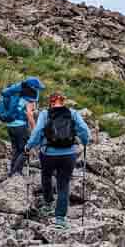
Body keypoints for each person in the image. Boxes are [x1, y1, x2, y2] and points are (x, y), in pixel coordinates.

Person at [25, 92, 91, 228]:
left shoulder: (45, 114)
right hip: (69, 154)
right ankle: (60, 219)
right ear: (63, 102)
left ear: (51, 102)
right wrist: (85, 141)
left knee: (46, 176)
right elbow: (84, 129)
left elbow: (37, 132)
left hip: (48, 153)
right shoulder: (72, 113)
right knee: (63, 184)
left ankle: (48, 204)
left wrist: (29, 146)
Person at [4, 77, 43, 175]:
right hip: (20, 126)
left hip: (10, 125)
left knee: (16, 149)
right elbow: (29, 114)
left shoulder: (17, 94)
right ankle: (16, 173)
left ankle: (12, 172)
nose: (38, 91)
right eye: (37, 88)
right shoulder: (29, 98)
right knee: (25, 150)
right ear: (32, 88)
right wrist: (35, 129)